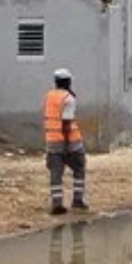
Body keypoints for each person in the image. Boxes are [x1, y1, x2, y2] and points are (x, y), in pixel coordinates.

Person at [43, 69, 88, 215]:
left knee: (56, 173)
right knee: (79, 168)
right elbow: (66, 123)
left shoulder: (49, 96)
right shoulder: (69, 98)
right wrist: (67, 145)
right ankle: (77, 200)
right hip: (71, 142)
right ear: (68, 82)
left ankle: (57, 203)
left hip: (52, 141)